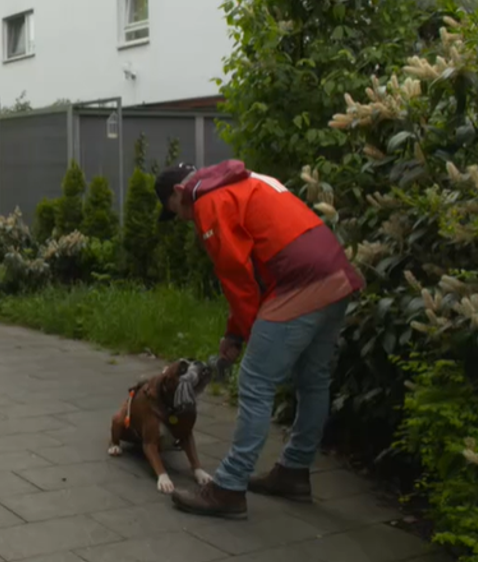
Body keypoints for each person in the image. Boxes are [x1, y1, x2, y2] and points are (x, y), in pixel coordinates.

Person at [152, 159, 364, 519]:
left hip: (298, 279)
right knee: (313, 380)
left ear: (178, 192)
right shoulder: (245, 181)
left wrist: (247, 336)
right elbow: (249, 267)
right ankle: (294, 473)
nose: (184, 220)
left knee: (255, 379)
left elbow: (238, 276)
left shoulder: (208, 200)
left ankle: (228, 489)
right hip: (334, 271)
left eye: (176, 212)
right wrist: (234, 333)